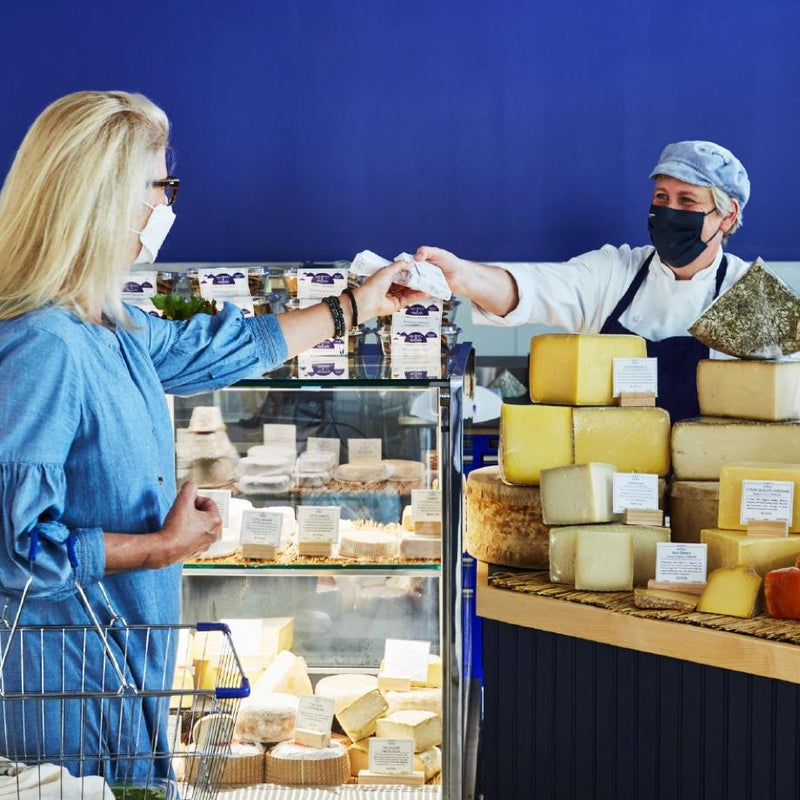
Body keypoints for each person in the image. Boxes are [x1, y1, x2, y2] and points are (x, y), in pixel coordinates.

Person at [0, 90, 421, 783]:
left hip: (123, 663)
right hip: (66, 684)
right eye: (162, 186)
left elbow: (215, 349)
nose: (166, 205)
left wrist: (352, 307)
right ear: (105, 198)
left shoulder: (108, 326)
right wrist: (163, 546)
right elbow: (16, 549)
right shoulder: (46, 345)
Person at [415, 140, 752, 421]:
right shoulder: (616, 272)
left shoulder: (749, 295)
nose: (669, 211)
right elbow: (535, 288)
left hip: (705, 489)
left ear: (728, 215)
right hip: (606, 484)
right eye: (661, 198)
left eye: (687, 200)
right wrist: (462, 275)